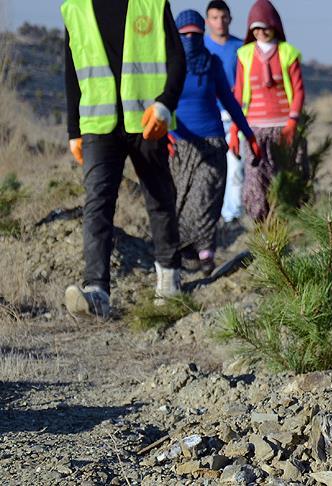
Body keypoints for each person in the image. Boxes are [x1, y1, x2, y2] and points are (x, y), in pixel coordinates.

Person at [62, 0, 186, 317]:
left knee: (159, 195)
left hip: (145, 121)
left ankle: (169, 277)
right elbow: (72, 71)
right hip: (98, 125)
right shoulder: (74, 9)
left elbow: (177, 60)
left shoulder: (153, 4)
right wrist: (74, 129)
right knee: (97, 203)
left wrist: (164, 104)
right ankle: (96, 292)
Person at [170, 10, 261, 276]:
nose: (190, 39)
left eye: (195, 35)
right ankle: (186, 252)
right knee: (182, 202)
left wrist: (247, 133)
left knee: (206, 196)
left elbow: (230, 100)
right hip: (180, 143)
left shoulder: (211, 64)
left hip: (211, 141)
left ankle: (207, 253)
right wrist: (163, 135)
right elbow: (157, 103)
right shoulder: (168, 64)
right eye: (184, 35)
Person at [231, 0, 305, 222]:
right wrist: (235, 129)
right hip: (254, 129)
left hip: (283, 128)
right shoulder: (244, 55)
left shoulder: (288, 53)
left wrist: (292, 122)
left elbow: (299, 90)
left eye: (265, 26)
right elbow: (238, 94)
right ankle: (263, 232)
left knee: (284, 180)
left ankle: (287, 228)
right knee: (255, 181)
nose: (262, 32)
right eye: (256, 27)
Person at [203, 1, 247, 224]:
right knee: (209, 169)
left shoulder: (242, 48)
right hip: (208, 117)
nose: (219, 22)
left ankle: (232, 217)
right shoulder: (200, 47)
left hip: (235, 117)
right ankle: (209, 215)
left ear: (230, 18)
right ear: (207, 21)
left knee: (236, 168)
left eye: (223, 17)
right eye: (214, 17)